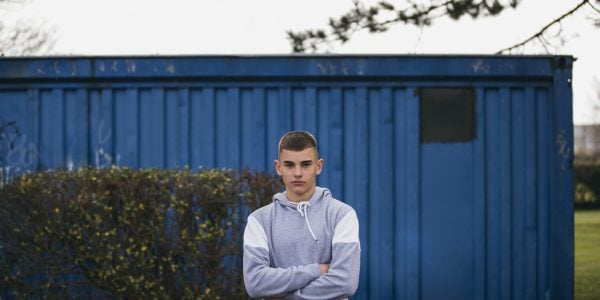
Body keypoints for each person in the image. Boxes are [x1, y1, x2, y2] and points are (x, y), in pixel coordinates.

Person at [243, 131, 360, 299]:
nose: (297, 173)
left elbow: (345, 282)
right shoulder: (259, 220)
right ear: (278, 167)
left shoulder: (342, 215)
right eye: (289, 165)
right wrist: (317, 270)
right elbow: (255, 283)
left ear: (318, 166)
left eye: (306, 164)